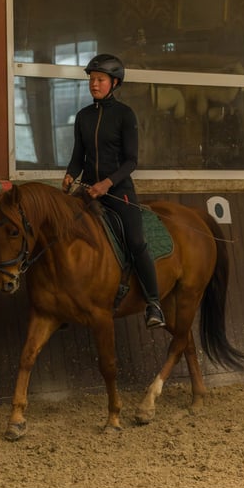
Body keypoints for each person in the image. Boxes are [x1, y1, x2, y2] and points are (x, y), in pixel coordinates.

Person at [61, 53, 165, 330]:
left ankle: (154, 303)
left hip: (119, 193)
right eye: (91, 79)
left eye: (100, 79)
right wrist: (71, 174)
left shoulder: (125, 115)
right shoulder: (82, 117)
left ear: (114, 82)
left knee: (135, 242)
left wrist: (107, 184)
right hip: (87, 191)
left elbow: (132, 161)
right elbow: (78, 156)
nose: (94, 84)